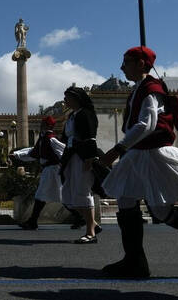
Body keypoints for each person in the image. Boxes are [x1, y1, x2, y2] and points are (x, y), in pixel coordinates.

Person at [99, 46, 178, 278]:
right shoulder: (141, 88)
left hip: (151, 153)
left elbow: (146, 124)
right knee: (140, 204)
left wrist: (117, 149)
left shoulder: (151, 88)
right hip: (140, 153)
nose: (121, 67)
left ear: (141, 64)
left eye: (126, 62)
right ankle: (136, 260)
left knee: (150, 206)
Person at [60, 86, 101, 244]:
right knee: (68, 193)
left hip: (83, 157)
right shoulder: (71, 116)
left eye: (67, 98)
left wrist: (89, 159)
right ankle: (93, 224)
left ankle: (90, 233)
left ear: (76, 98)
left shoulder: (86, 114)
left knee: (83, 191)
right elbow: (65, 138)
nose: (65, 101)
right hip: (71, 157)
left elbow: (91, 138)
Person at [10, 116, 65, 230]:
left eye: (43, 124)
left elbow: (64, 152)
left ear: (48, 126)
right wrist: (16, 154)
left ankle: (33, 221)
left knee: (44, 196)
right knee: (50, 196)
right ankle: (33, 221)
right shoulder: (43, 138)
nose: (41, 125)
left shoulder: (51, 139)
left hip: (53, 170)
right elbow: (33, 152)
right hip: (48, 170)